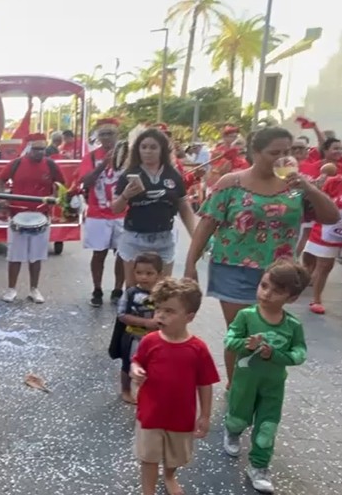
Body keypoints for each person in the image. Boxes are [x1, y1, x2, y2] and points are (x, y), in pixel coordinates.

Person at [184, 127, 338, 389]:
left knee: (267, 332)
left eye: (287, 152)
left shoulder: (296, 186)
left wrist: (309, 189)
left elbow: (331, 217)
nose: (282, 158)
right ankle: (237, 388)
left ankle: (257, 384)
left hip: (278, 274)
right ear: (255, 153)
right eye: (274, 152)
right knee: (241, 332)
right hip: (233, 269)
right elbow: (206, 227)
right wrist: (190, 266)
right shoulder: (231, 183)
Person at [222, 260, 310, 495]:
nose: (267, 294)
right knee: (238, 416)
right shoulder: (246, 316)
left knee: (267, 427)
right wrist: (245, 344)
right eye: (264, 285)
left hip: (273, 386)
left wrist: (277, 355)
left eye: (277, 291)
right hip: (245, 383)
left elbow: (299, 353)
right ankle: (232, 431)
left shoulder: (293, 325)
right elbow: (229, 341)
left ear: (291, 298)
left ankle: (259, 467)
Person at [129, 277, 219, 495]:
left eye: (169, 311)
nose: (160, 315)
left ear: (189, 317)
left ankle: (169, 475)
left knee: (175, 456)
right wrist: (136, 370)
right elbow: (136, 361)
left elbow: (205, 383)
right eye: (158, 309)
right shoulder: (150, 341)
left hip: (181, 416)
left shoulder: (197, 349)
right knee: (148, 457)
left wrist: (205, 415)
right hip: (150, 413)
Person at [113, 128, 197, 286]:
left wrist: (195, 235)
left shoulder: (173, 174)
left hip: (163, 239)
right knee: (134, 291)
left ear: (162, 150)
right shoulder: (129, 174)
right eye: (143, 147)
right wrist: (125, 195)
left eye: (153, 147)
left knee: (162, 290)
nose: (147, 151)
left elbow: (183, 206)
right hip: (134, 239)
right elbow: (115, 208)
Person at [0, 133, 66, 303]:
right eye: (36, 149)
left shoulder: (50, 164)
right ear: (28, 148)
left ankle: (34, 289)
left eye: (42, 149)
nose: (40, 152)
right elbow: (0, 180)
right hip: (17, 215)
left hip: (41, 216)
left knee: (37, 256)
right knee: (14, 256)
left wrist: (55, 197)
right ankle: (11, 289)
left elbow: (61, 184)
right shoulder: (17, 163)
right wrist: (3, 197)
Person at [77, 118, 126, 306]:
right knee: (99, 254)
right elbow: (86, 182)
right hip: (98, 214)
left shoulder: (128, 155)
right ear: (98, 137)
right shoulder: (90, 157)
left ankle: (118, 289)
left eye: (110, 134)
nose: (107, 138)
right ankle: (97, 289)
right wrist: (103, 164)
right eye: (102, 134)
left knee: (122, 254)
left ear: (117, 135)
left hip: (122, 214)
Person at [113, 252, 163, 405]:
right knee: (128, 364)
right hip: (133, 336)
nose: (144, 277)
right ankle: (126, 389)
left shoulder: (162, 294)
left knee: (154, 365)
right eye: (139, 273)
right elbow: (122, 315)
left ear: (159, 275)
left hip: (156, 338)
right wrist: (145, 322)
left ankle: (148, 391)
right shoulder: (130, 293)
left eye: (149, 273)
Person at [303, 166, 342, 314]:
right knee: (325, 265)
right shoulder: (334, 182)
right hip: (329, 228)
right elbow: (320, 202)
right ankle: (316, 299)